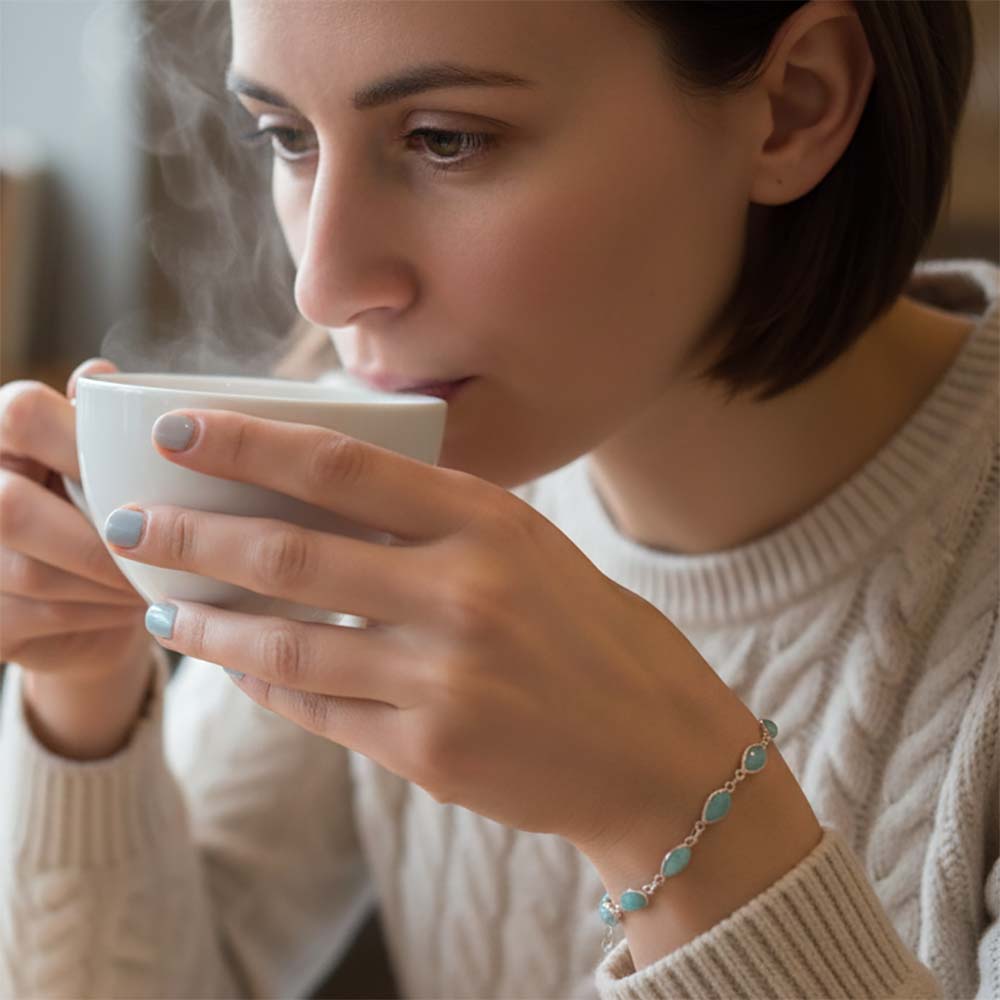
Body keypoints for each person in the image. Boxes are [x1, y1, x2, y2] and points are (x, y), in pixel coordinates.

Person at [0, 1, 995, 997]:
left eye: (445, 139)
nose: (325, 285)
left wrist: (680, 812)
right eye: (286, 138)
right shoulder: (371, 475)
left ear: (795, 106)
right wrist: (81, 691)